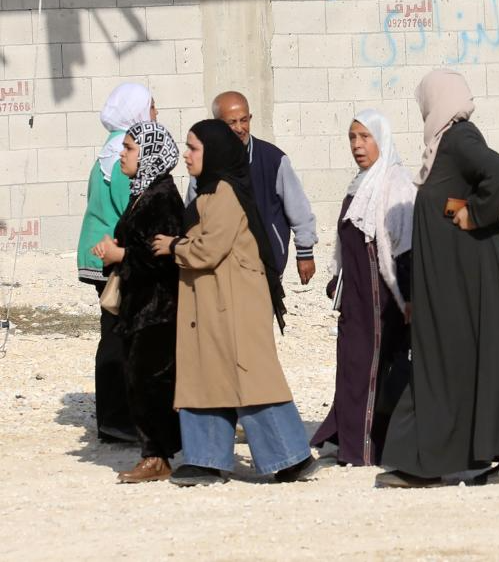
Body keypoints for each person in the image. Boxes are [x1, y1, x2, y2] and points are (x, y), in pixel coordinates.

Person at [377, 69, 499, 488]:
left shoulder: (459, 138)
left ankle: (424, 462)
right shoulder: (444, 145)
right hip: (459, 271)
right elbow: (452, 198)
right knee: (475, 354)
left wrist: (475, 214)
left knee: (445, 355)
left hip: (471, 273)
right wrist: (460, 210)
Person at [151, 120, 319, 485]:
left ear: (213, 152)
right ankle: (206, 459)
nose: (187, 154)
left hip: (234, 306)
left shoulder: (224, 192)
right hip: (214, 304)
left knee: (252, 380)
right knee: (205, 377)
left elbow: (210, 249)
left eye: (193, 148)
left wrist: (174, 246)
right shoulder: (209, 191)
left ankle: (291, 458)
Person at [311, 110, 416, 466]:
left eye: (365, 137)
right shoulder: (361, 183)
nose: (357, 145)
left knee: (368, 366)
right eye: (352, 137)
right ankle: (345, 434)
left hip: (380, 296)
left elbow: (403, 244)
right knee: (350, 365)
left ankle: (365, 448)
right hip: (355, 295)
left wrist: (407, 296)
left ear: (381, 140)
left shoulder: (394, 182)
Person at [92, 121, 183, 482]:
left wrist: (120, 255)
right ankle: (155, 453)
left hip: (157, 309)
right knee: (138, 378)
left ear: (148, 154)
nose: (123, 154)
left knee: (150, 381)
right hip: (140, 305)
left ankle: (157, 456)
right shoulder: (143, 192)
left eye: (130, 148)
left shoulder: (161, 198)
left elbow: (161, 256)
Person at [75, 82, 157, 443]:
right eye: (153, 108)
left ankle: (117, 417)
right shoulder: (126, 151)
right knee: (117, 334)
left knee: (117, 331)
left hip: (103, 252)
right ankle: (116, 418)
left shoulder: (110, 148)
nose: (157, 115)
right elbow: (131, 211)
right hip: (110, 255)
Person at [186, 91, 318, 284]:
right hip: (220, 269)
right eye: (231, 123)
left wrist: (305, 252)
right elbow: (192, 215)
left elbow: (298, 209)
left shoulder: (273, 159)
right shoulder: (204, 165)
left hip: (265, 266)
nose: (240, 128)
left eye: (244, 120)